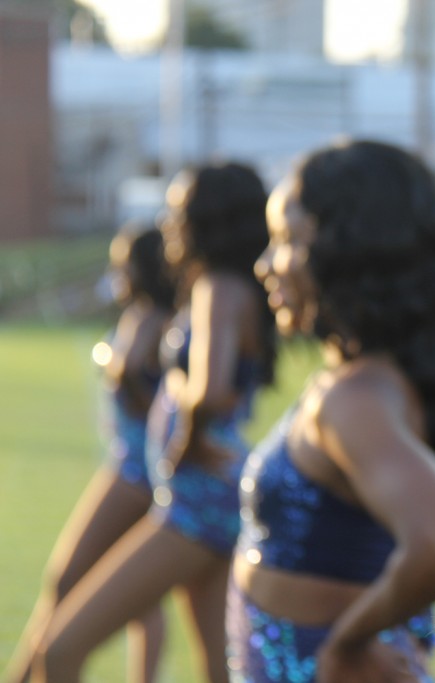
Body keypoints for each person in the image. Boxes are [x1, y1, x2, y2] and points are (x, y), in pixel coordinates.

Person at [226, 140, 435, 683]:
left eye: (287, 241)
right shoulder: (369, 383)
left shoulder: (354, 401)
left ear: (347, 251)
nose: (264, 265)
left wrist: (350, 641)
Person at [31, 161, 277, 683]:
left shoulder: (217, 288)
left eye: (177, 210)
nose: (169, 222)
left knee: (61, 651)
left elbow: (212, 389)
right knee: (221, 670)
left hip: (198, 500)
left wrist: (179, 412)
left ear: (206, 220)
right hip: (209, 494)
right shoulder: (235, 288)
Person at [4, 225, 175, 683]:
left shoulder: (147, 317)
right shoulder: (163, 318)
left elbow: (130, 369)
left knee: (64, 583)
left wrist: (111, 360)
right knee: (143, 600)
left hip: (133, 474)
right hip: (151, 475)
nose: (116, 277)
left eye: (122, 268)